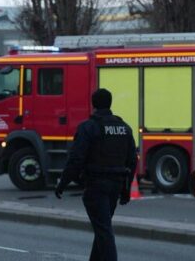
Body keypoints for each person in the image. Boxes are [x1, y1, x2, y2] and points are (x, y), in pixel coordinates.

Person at [55, 88, 137, 261]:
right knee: (102, 230)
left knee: (104, 232)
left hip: (96, 185)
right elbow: (132, 161)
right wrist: (126, 189)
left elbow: (76, 159)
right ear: (110, 103)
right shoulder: (124, 128)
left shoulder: (89, 127)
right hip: (115, 186)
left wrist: (62, 184)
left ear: (93, 104)